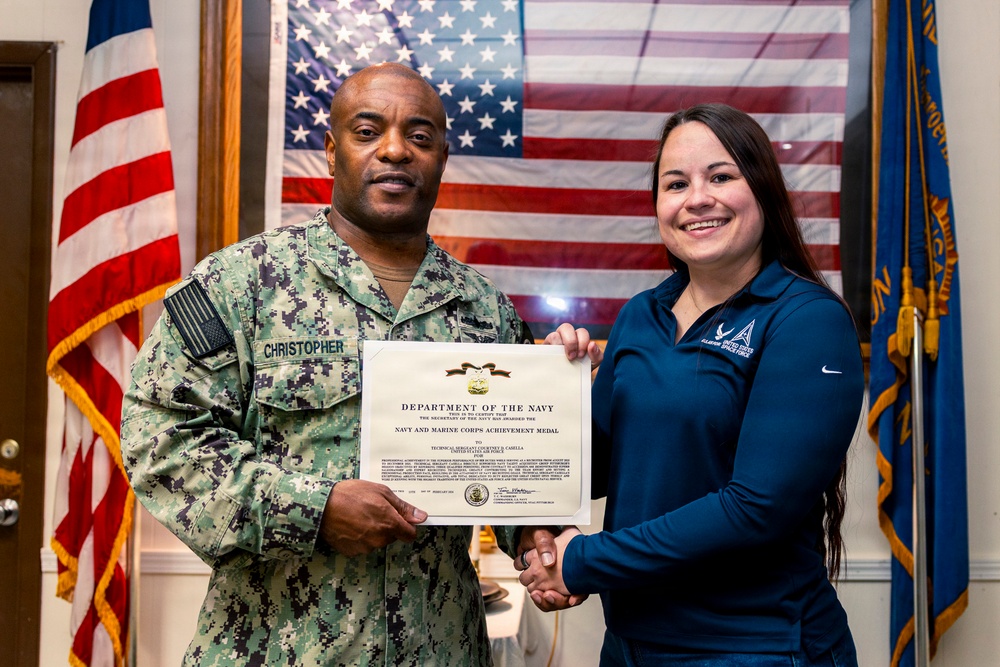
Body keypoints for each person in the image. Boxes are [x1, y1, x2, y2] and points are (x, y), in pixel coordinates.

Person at [120, 62, 587, 666]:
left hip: (440, 648)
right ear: (332, 151)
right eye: (369, 132)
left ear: (443, 157)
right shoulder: (242, 283)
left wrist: (535, 534)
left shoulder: (484, 310)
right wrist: (312, 511)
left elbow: (510, 468)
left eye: (419, 137)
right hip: (277, 649)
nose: (395, 150)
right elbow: (160, 441)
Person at [515, 103, 865, 666]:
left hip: (755, 649)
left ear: (763, 190)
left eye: (721, 176)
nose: (697, 198)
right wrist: (550, 400)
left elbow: (756, 508)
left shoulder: (807, 320)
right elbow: (593, 466)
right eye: (675, 184)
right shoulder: (640, 315)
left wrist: (581, 562)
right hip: (630, 646)